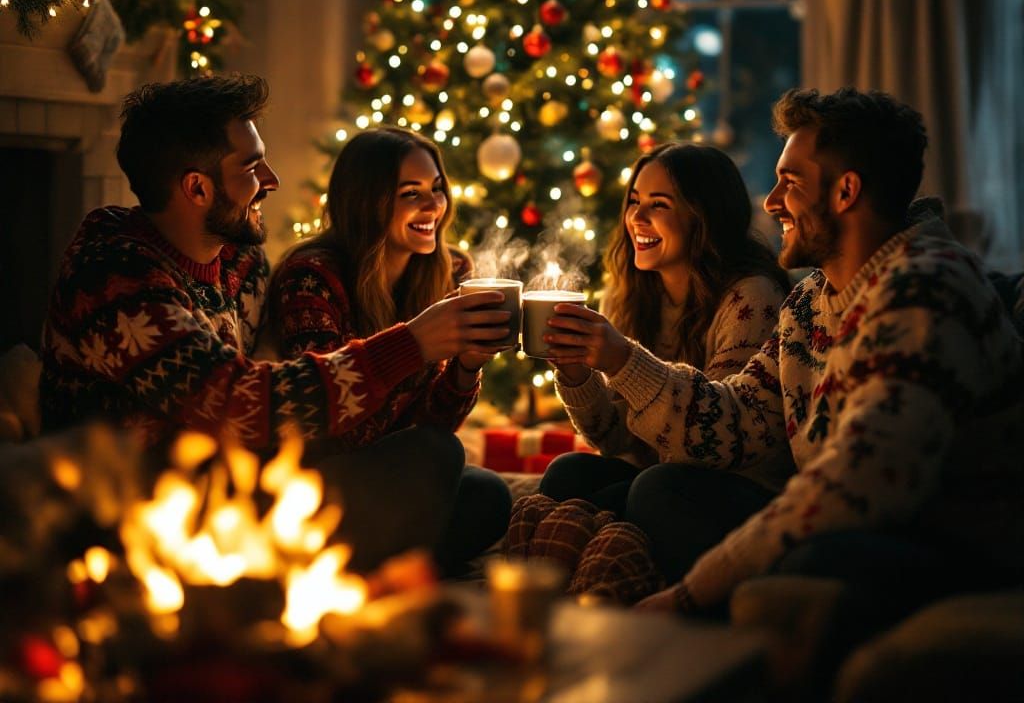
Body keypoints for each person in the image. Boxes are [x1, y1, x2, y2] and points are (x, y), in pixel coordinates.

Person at [544, 88, 1023, 622]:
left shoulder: (926, 285)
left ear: (846, 192)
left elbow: (865, 482)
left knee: (817, 560)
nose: (771, 202)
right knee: (659, 489)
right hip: (854, 527)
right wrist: (617, 362)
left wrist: (689, 593)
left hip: (950, 545)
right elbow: (730, 425)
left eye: (789, 184)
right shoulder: (809, 300)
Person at [39, 76, 511, 571]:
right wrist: (413, 343)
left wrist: (460, 367)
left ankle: (356, 567)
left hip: (232, 497)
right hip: (139, 527)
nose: (271, 179)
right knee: (429, 457)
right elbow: (247, 402)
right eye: (250, 166)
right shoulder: (113, 276)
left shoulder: (241, 264)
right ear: (197, 188)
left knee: (480, 492)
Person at [538, 143, 792, 582]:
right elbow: (617, 440)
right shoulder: (630, 294)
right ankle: (599, 559)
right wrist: (576, 372)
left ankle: (613, 559)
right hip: (662, 474)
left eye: (659, 205)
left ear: (704, 216)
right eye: (634, 201)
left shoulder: (751, 297)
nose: (637, 218)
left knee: (649, 491)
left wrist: (622, 360)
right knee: (567, 474)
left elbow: (713, 446)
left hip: (740, 485)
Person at [266, 126, 512, 572]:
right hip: (318, 482)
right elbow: (331, 431)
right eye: (410, 193)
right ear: (367, 201)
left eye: (436, 189)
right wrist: (415, 347)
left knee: (489, 494)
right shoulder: (312, 278)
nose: (433, 206)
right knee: (439, 454)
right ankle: (358, 566)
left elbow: (433, 421)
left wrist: (466, 366)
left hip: (392, 472)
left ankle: (390, 566)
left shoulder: (446, 271)